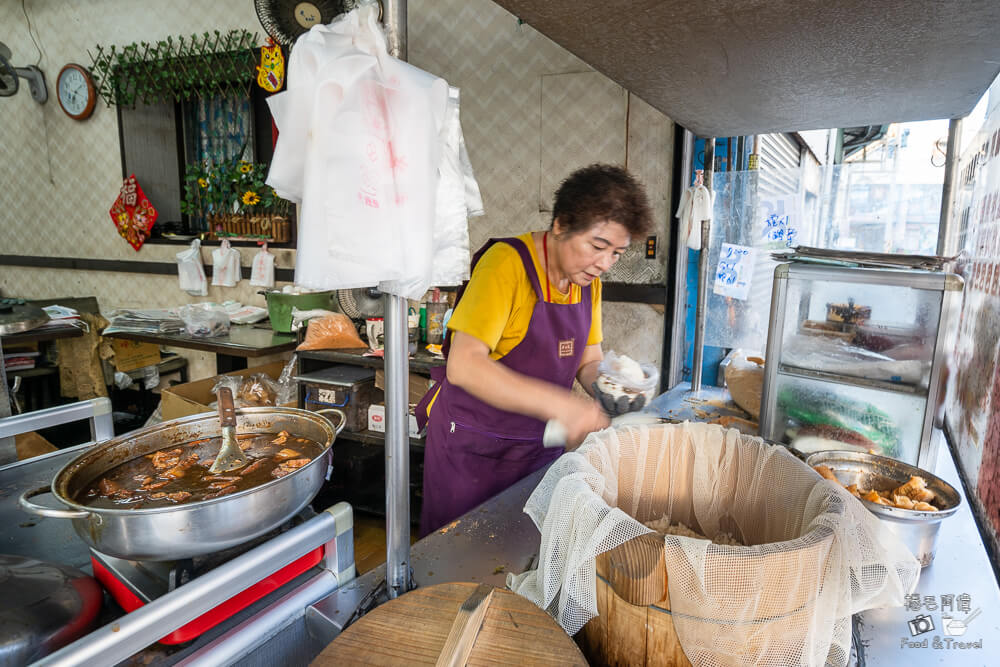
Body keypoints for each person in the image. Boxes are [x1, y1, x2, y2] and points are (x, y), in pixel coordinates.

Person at [416, 163, 654, 536]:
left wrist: (613, 387)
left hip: (538, 451)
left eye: (617, 254)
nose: (605, 264)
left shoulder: (586, 281)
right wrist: (562, 406)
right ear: (560, 225)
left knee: (522, 560)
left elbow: (588, 359)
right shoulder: (505, 265)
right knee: (456, 569)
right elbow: (465, 364)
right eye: (597, 246)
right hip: (474, 452)